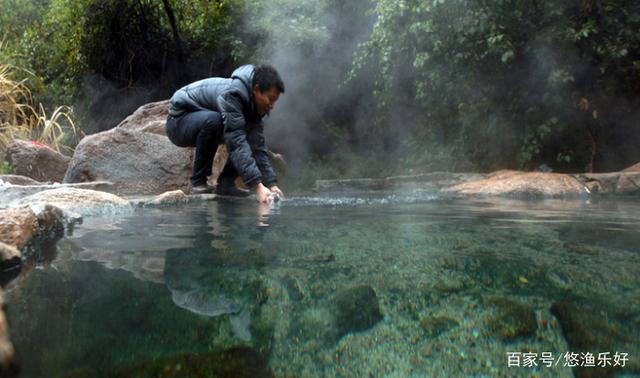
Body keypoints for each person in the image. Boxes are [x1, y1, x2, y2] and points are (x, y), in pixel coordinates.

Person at [166, 64, 285, 204]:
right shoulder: (233, 95)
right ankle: (198, 182)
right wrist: (258, 186)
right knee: (216, 122)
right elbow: (236, 142)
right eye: (270, 99)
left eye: (275, 101)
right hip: (178, 123)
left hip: (197, 121)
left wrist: (271, 184)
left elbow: (257, 146)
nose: (272, 105)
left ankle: (226, 184)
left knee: (247, 136)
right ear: (257, 89)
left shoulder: (253, 107)